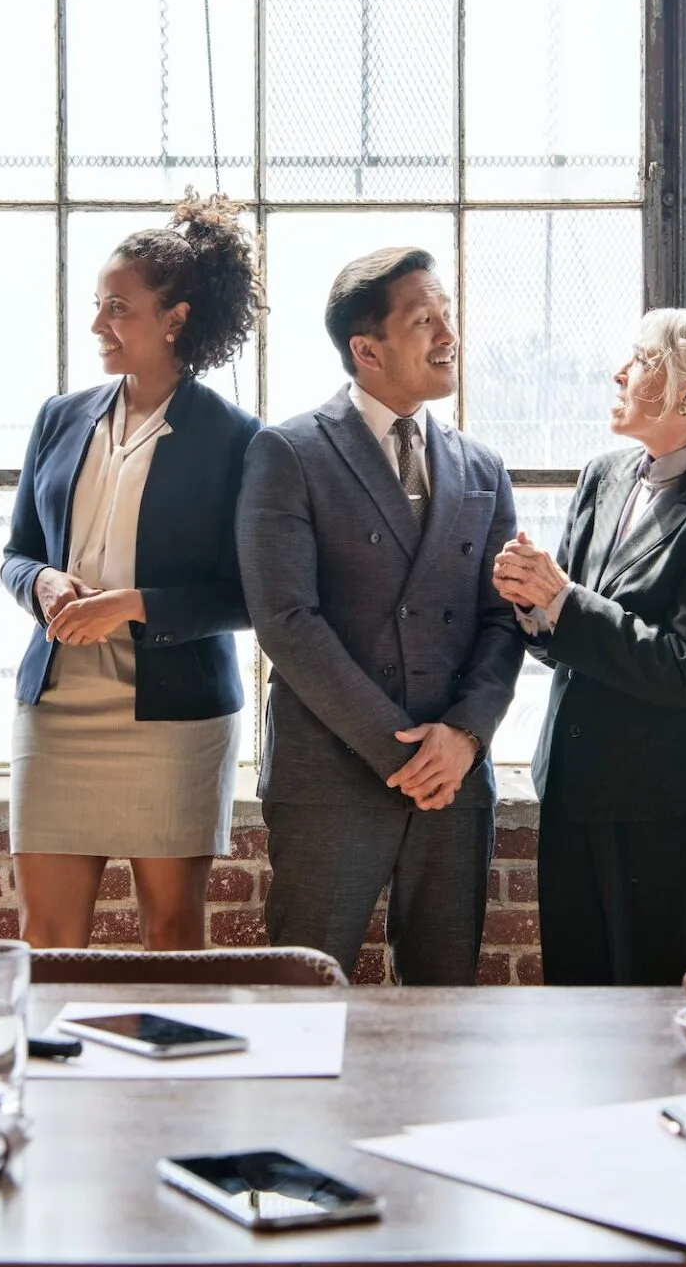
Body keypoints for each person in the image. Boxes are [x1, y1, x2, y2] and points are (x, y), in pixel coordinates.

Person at [236, 246, 523, 984]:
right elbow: (287, 622)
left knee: (442, 1005)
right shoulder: (289, 451)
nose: (448, 335)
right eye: (425, 320)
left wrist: (463, 736)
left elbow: (503, 620)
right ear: (366, 349)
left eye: (447, 315)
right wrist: (405, 754)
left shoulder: (482, 467)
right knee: (300, 998)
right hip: (332, 776)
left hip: (453, 782)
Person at [1, 193, 261, 950]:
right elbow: (18, 552)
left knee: (174, 931)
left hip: (176, 714)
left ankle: (168, 1073)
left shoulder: (237, 438)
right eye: (97, 306)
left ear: (175, 318)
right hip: (55, 704)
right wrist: (42, 584)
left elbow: (248, 596)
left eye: (117, 308)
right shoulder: (60, 416)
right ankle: (47, 1070)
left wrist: (135, 604)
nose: (97, 326)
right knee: (46, 935)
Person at [494, 309, 686, 985]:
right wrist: (531, 606)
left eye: (641, 360)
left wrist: (562, 601)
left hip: (674, 806)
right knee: (578, 1003)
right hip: (575, 787)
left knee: (663, 1010)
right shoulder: (604, 475)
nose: (619, 373)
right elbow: (566, 635)